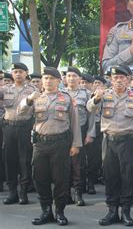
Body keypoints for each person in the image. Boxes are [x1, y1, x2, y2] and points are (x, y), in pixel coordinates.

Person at [19, 67, 82, 226]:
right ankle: (46, 211)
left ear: (59, 81)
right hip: (40, 144)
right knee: (40, 178)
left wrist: (75, 144)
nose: (48, 81)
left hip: (60, 143)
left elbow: (75, 123)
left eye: (51, 79)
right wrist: (28, 100)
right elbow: (21, 113)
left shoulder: (66, 98)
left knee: (60, 179)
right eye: (45, 78)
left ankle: (60, 212)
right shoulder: (36, 97)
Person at [89, 66, 133, 226]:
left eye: (122, 77)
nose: (119, 80)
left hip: (128, 141)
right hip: (109, 140)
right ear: (111, 80)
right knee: (110, 176)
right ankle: (112, 210)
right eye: (115, 78)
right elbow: (89, 107)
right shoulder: (103, 94)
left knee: (128, 176)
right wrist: (96, 98)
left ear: (128, 79)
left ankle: (126, 211)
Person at [0, 63, 36, 205]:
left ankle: (23, 192)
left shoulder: (33, 90)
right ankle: (12, 192)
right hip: (9, 127)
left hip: (25, 127)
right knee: (9, 159)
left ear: (26, 73)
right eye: (15, 71)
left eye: (20, 71)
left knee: (25, 160)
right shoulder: (5, 89)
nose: (18, 74)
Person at [64, 67, 96, 206]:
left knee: (78, 164)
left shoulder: (87, 94)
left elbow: (92, 116)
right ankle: (65, 193)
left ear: (79, 79)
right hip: (63, 132)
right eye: (69, 76)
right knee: (63, 164)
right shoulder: (61, 93)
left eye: (74, 76)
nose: (71, 78)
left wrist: (90, 133)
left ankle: (78, 193)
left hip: (81, 131)